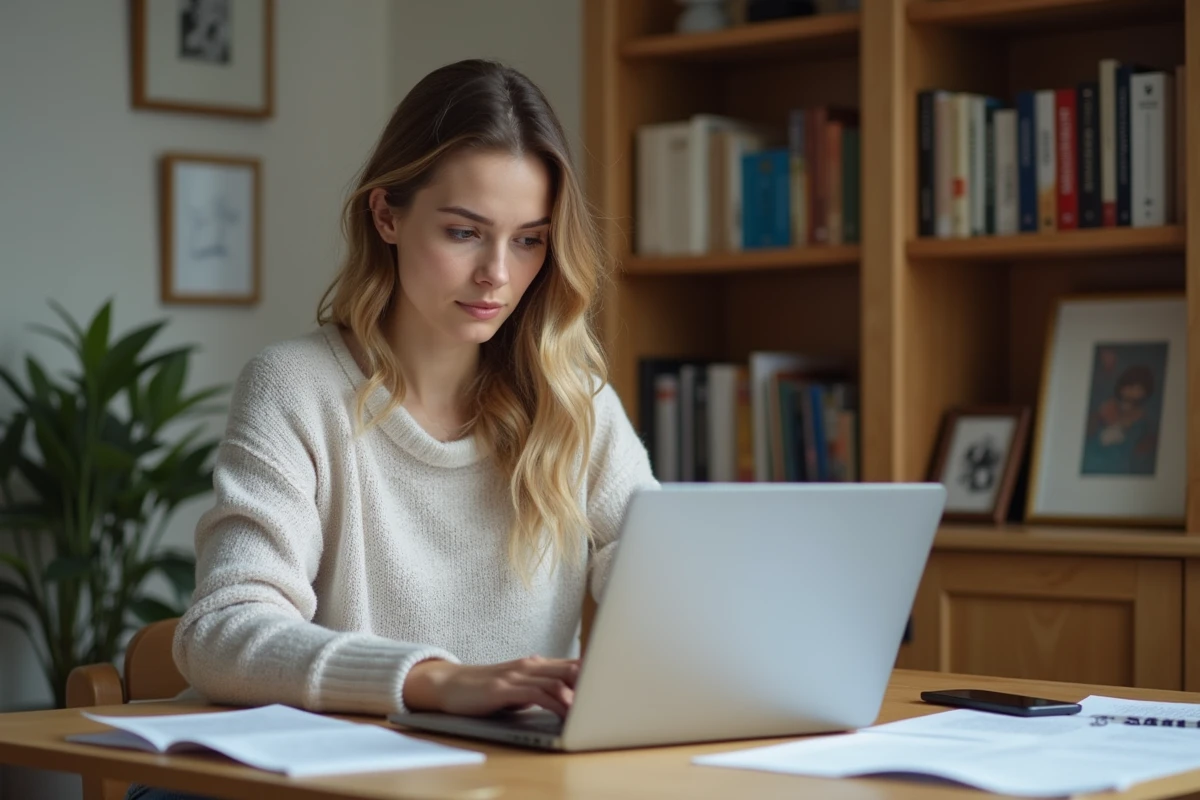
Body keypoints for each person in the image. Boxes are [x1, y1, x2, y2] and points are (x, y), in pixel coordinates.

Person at [126, 58, 657, 800]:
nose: (497, 275)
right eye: (465, 232)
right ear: (387, 217)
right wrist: (435, 681)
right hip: (283, 783)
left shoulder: (574, 403)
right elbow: (220, 635)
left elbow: (658, 566)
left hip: (484, 783)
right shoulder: (296, 388)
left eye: (530, 240)